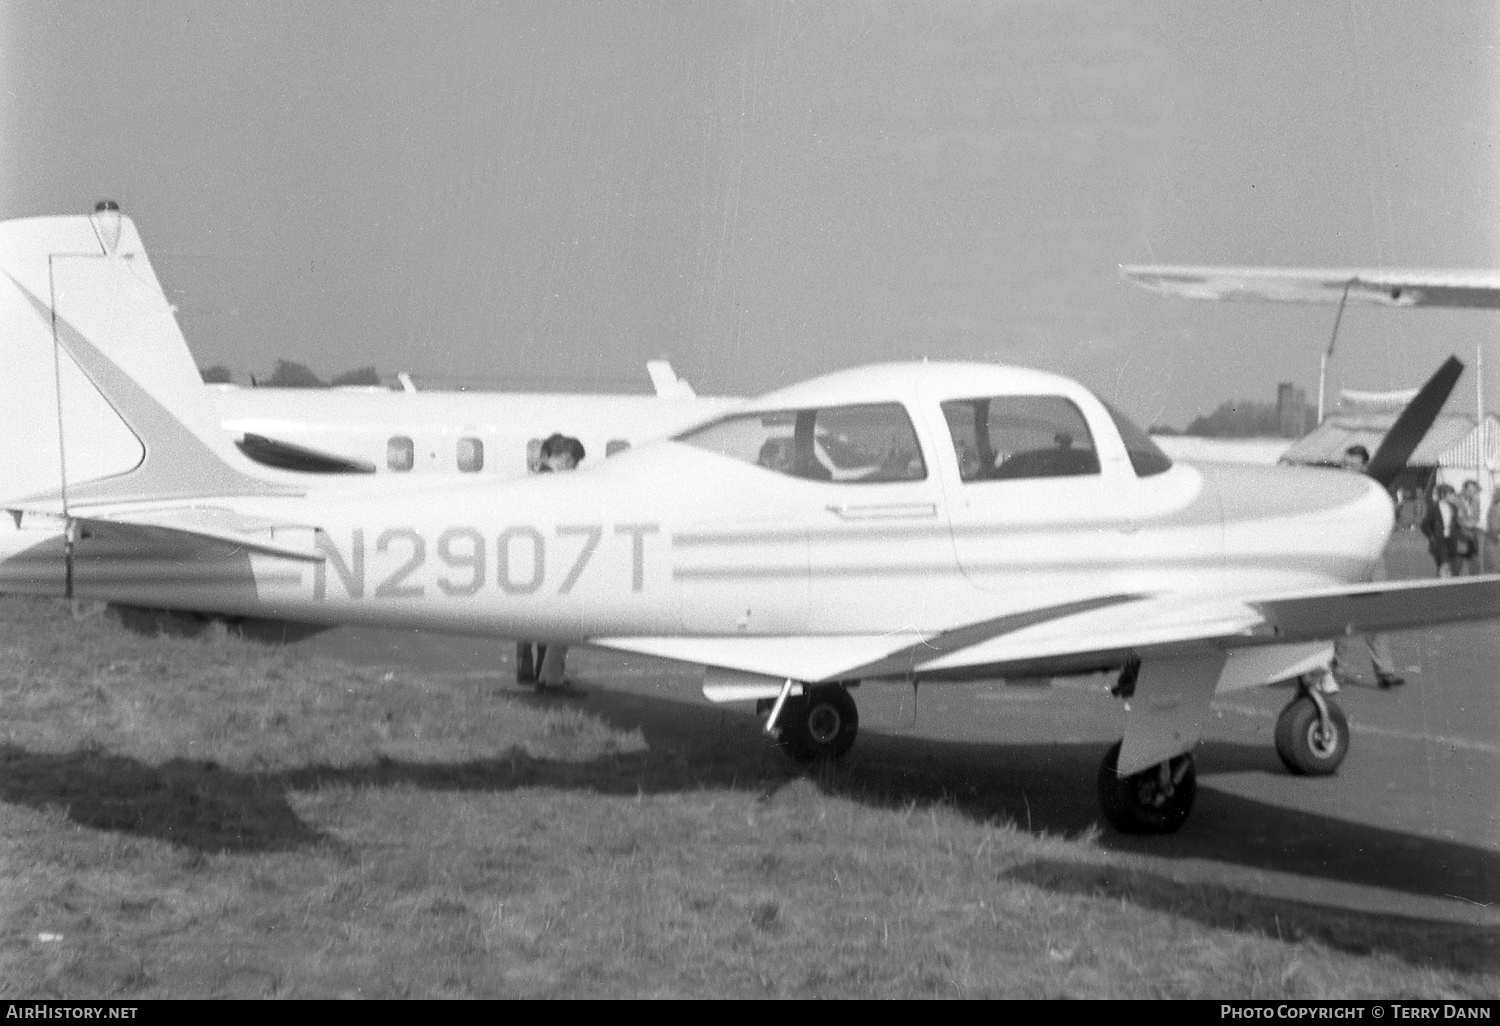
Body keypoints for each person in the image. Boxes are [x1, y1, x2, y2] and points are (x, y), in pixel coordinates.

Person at [1328, 445, 1404, 689]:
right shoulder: (1334, 490)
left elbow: (1390, 518)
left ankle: (1385, 671)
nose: (1347, 469)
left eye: (1353, 465)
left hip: (1372, 558)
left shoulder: (1376, 491)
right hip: (1343, 559)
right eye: (1344, 464)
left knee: (1376, 614)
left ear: (1365, 466)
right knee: (1342, 616)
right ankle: (1338, 668)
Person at [516, 434, 587, 693]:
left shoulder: (535, 478)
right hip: (548, 560)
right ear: (561, 457)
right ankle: (550, 678)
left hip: (532, 558)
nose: (573, 468)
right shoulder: (553, 483)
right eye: (572, 461)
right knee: (558, 622)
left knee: (538, 624)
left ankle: (540, 675)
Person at [1421, 483, 1460, 578]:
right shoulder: (1433, 508)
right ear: (1443, 495)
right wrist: (1431, 536)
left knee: (1452, 566)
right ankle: (1443, 585)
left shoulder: (1453, 508)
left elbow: (1456, 524)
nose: (1454, 496)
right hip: (1439, 541)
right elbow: (1424, 525)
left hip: (1451, 541)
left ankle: (1450, 584)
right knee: (1444, 564)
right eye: (1451, 494)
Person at [1455, 479, 1484, 576]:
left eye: (1474, 491)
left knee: (1475, 561)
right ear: (1464, 489)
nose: (1473, 493)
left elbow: (1477, 516)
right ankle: (1452, 583)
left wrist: (1473, 522)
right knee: (1458, 561)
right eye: (1471, 490)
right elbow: (1455, 518)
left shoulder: (1475, 501)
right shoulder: (1457, 500)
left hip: (1472, 533)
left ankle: (1475, 583)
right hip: (1460, 534)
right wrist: (1465, 523)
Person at [1486, 486, 1500, 575]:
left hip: (1495, 536)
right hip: (1495, 537)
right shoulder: (1494, 507)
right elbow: (1492, 524)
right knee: (1495, 564)